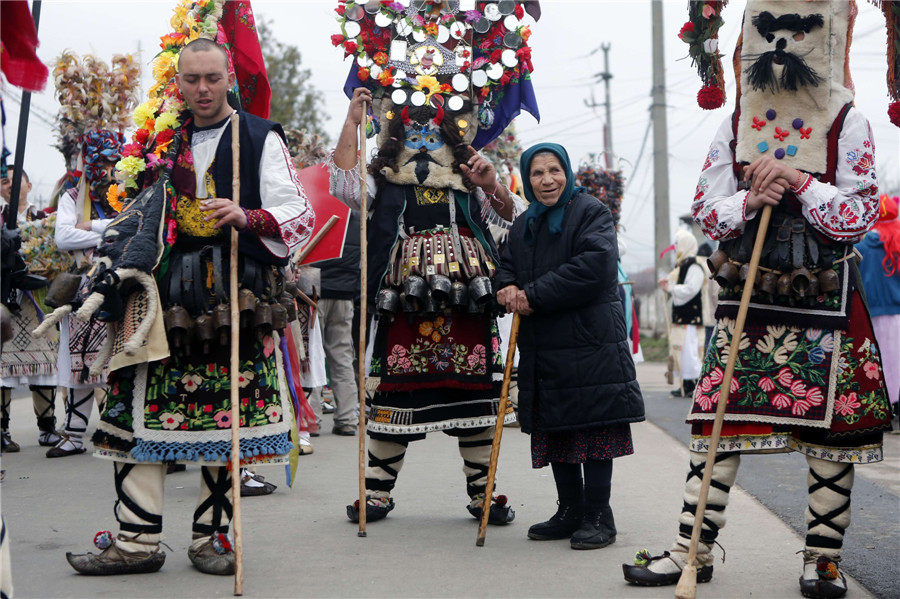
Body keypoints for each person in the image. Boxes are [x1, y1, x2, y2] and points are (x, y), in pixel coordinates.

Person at [623, 3, 893, 597]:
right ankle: (691, 550)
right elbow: (707, 206)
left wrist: (799, 182)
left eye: (799, 32)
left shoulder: (849, 120)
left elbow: (857, 214)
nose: (781, 43)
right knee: (716, 425)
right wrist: (748, 200)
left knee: (831, 436)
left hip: (826, 296)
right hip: (749, 290)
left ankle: (822, 557)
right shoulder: (736, 121)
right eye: (767, 29)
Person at [65, 37, 314, 576]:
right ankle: (135, 543)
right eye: (191, 79)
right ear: (177, 82)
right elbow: (133, 211)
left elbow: (300, 212)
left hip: (233, 298)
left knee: (225, 422)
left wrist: (249, 217)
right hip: (157, 299)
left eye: (212, 78)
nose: (202, 89)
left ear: (230, 79)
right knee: (134, 412)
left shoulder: (258, 136)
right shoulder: (158, 141)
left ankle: (210, 540)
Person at [328, 86, 523, 525]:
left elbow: (513, 219)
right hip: (402, 305)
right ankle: (376, 493)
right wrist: (352, 124)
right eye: (414, 138)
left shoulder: (469, 182)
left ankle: (482, 493)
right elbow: (343, 187)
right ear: (397, 142)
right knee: (395, 394)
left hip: (466, 305)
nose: (423, 147)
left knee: (475, 397)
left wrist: (492, 186)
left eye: (432, 138)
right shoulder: (384, 181)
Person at [494, 143, 644, 549]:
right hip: (545, 345)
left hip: (591, 343)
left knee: (594, 431)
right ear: (528, 180)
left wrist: (533, 295)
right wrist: (506, 287)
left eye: (554, 170)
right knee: (557, 428)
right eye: (538, 173)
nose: (547, 180)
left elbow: (594, 267)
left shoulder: (590, 212)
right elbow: (506, 264)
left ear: (567, 173)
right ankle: (570, 510)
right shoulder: (525, 223)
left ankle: (599, 516)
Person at [51, 131, 121, 458]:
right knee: (78, 365)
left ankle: (116, 432)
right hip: (82, 289)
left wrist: (90, 225)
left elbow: (130, 227)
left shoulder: (127, 190)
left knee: (116, 363)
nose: (110, 167)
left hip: (120, 286)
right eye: (103, 160)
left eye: (113, 159)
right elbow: (63, 237)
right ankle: (75, 435)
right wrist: (106, 229)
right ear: (90, 160)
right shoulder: (71, 195)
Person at [0, 167, 61, 451]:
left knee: (44, 361)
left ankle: (47, 427)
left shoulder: (45, 217)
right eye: (4, 181)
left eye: (16, 180)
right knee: (2, 366)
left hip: (37, 298)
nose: (10, 185)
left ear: (29, 184)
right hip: (5, 298)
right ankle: (2, 430)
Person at [314, 210, 361, 436]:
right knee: (342, 356)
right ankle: (347, 418)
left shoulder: (316, 208)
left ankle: (311, 418)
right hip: (345, 294)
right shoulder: (358, 217)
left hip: (313, 292)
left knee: (312, 356)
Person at [855, 195, 900, 423]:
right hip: (897, 315)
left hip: (869, 314)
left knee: (874, 363)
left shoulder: (859, 247)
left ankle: (879, 410)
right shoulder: (898, 244)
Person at [659, 229, 707, 398]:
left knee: (690, 353)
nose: (676, 247)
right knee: (681, 352)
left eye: (678, 244)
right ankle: (685, 384)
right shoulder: (681, 266)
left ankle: (697, 385)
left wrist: (671, 288)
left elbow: (691, 290)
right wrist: (668, 286)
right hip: (682, 318)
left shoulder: (694, 266)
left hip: (690, 319)